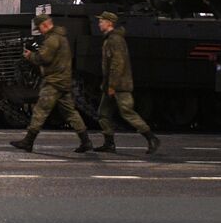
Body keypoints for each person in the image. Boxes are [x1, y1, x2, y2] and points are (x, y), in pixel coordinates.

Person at [10, 15, 91, 153]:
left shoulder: (52, 39)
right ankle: (86, 141)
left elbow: (44, 58)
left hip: (54, 82)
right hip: (63, 81)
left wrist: (30, 56)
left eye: (40, 28)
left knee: (40, 110)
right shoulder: (61, 37)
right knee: (70, 112)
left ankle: (28, 141)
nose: (40, 31)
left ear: (45, 25)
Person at [95, 11, 161, 155]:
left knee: (127, 112)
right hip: (111, 85)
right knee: (103, 113)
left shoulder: (115, 40)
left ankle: (151, 138)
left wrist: (112, 85)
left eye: (102, 21)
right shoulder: (110, 39)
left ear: (109, 23)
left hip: (119, 86)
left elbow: (117, 64)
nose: (99, 23)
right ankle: (109, 143)